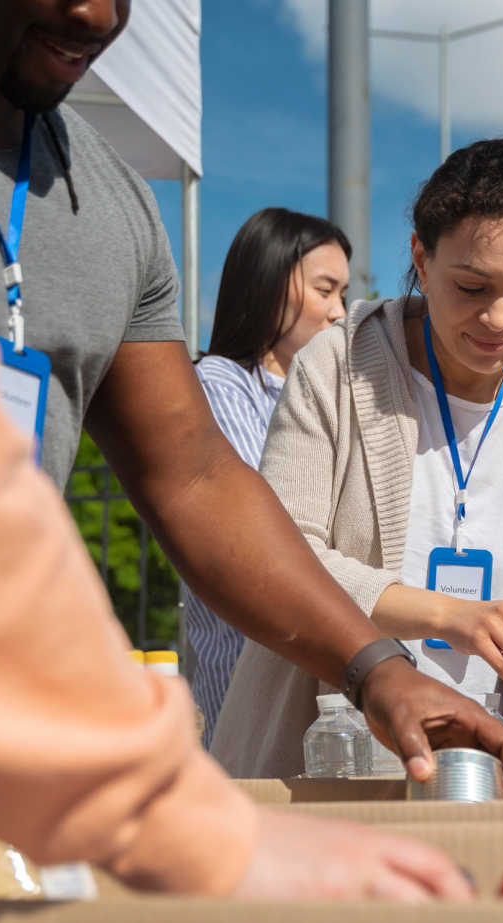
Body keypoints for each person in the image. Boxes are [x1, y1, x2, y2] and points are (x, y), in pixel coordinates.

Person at [0, 0, 474, 901]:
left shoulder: (118, 206)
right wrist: (162, 815)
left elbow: (198, 476)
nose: (93, 10)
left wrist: (376, 666)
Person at [211, 138, 503, 779]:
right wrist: (451, 616)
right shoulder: (338, 365)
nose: (499, 318)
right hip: (325, 754)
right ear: (421, 257)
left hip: (489, 765)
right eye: (472, 286)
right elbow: (278, 556)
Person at [184, 208, 351, 747]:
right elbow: (262, 514)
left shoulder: (327, 393)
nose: (339, 312)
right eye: (325, 289)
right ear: (268, 282)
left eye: (344, 294)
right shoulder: (219, 384)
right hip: (247, 664)